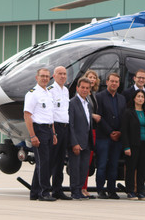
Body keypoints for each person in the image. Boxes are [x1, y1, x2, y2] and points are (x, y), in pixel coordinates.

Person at [24, 68, 57, 201]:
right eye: (42, 76)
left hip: (49, 129)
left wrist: (54, 133)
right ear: (36, 77)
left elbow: (51, 115)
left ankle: (34, 193)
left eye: (47, 76)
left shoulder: (48, 93)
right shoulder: (32, 94)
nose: (44, 78)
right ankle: (44, 193)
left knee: (43, 163)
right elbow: (27, 115)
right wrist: (32, 135)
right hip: (39, 130)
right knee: (43, 162)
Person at [94, 72, 126, 199]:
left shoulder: (122, 98)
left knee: (114, 164)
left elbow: (124, 117)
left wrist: (119, 132)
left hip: (117, 138)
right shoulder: (99, 97)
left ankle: (112, 190)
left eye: (116, 82)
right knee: (102, 164)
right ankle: (100, 189)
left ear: (119, 84)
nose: (114, 83)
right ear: (107, 82)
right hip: (103, 136)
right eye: (112, 81)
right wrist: (110, 132)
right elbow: (99, 116)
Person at [121, 89, 145, 201]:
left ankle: (140, 191)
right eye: (138, 96)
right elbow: (124, 131)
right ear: (134, 98)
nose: (140, 98)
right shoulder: (128, 112)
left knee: (142, 169)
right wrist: (126, 146)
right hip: (132, 145)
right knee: (131, 168)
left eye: (142, 97)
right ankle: (131, 191)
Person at [68, 78, 95, 200]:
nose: (84, 90)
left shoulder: (88, 104)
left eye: (87, 88)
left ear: (90, 90)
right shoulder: (72, 103)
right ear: (78, 88)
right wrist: (74, 143)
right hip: (77, 142)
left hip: (87, 142)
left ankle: (80, 190)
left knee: (84, 168)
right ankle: (75, 191)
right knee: (75, 168)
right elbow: (71, 125)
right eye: (82, 87)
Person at [47, 66, 72, 200]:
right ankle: (44, 188)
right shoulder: (50, 90)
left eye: (64, 74)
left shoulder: (66, 90)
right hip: (54, 126)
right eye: (60, 74)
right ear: (54, 76)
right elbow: (50, 112)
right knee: (51, 160)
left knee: (60, 160)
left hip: (64, 127)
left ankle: (57, 189)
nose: (63, 76)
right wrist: (53, 132)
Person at [81, 70, 101, 199]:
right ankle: (81, 187)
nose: (92, 79)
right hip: (85, 131)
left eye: (94, 78)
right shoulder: (84, 95)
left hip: (93, 131)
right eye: (90, 77)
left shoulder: (94, 94)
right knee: (83, 161)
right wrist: (92, 115)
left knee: (88, 161)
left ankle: (85, 187)